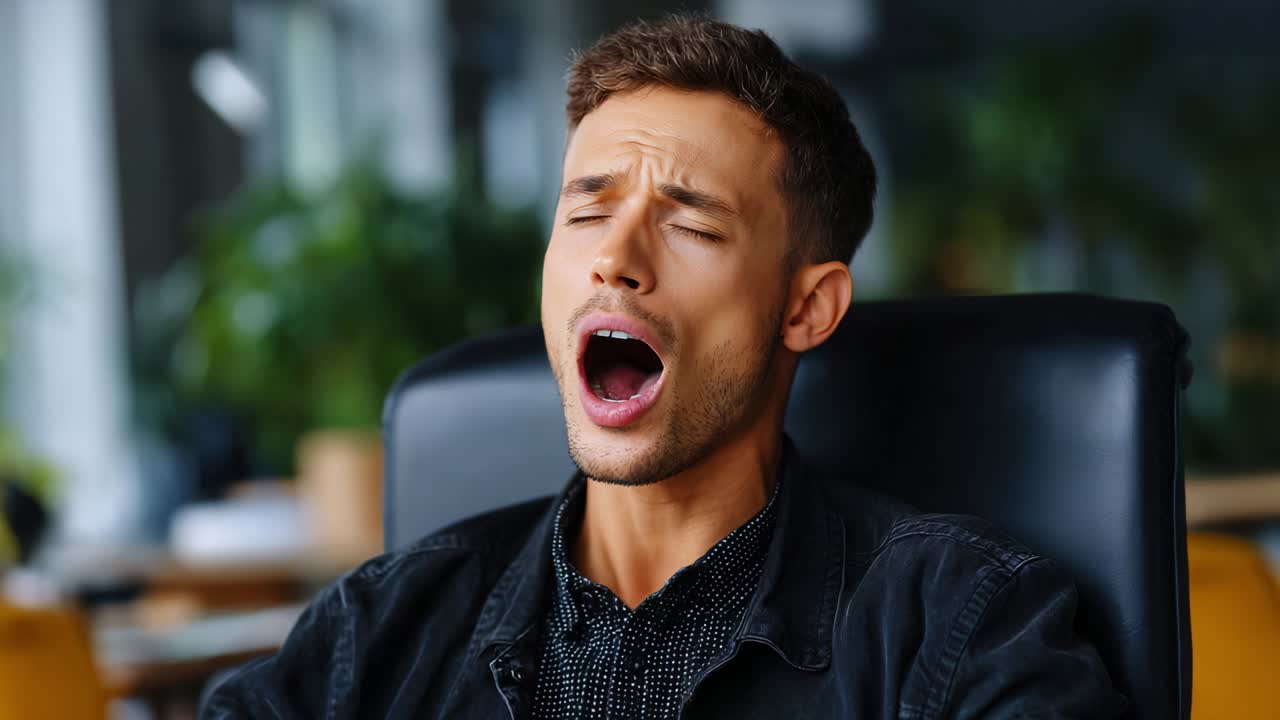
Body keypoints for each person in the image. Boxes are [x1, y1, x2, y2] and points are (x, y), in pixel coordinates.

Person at [206, 13, 1125, 719]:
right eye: (584, 212)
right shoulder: (377, 633)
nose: (617, 257)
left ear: (806, 307)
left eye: (690, 223)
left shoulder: (966, 627)